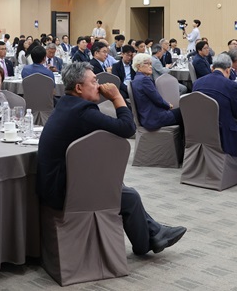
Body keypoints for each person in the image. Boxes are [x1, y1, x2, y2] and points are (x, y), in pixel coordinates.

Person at [37, 62, 186, 255]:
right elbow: (127, 128)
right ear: (79, 88)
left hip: (55, 182)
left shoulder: (67, 104)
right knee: (129, 196)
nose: (98, 85)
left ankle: (154, 235)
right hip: (62, 191)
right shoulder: (83, 112)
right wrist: (117, 97)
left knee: (119, 186)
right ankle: (147, 242)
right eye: (94, 81)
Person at [192, 53, 237, 157]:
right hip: (222, 132)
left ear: (212, 68)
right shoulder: (231, 85)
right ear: (228, 70)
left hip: (198, 131)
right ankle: (232, 163)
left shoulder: (197, 83)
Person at [130, 54, 183, 130]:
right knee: (185, 111)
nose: (150, 66)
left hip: (147, 117)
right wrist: (168, 105)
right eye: (147, 64)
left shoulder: (136, 79)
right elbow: (157, 99)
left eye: (150, 64)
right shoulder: (144, 80)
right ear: (138, 66)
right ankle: (187, 137)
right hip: (155, 118)